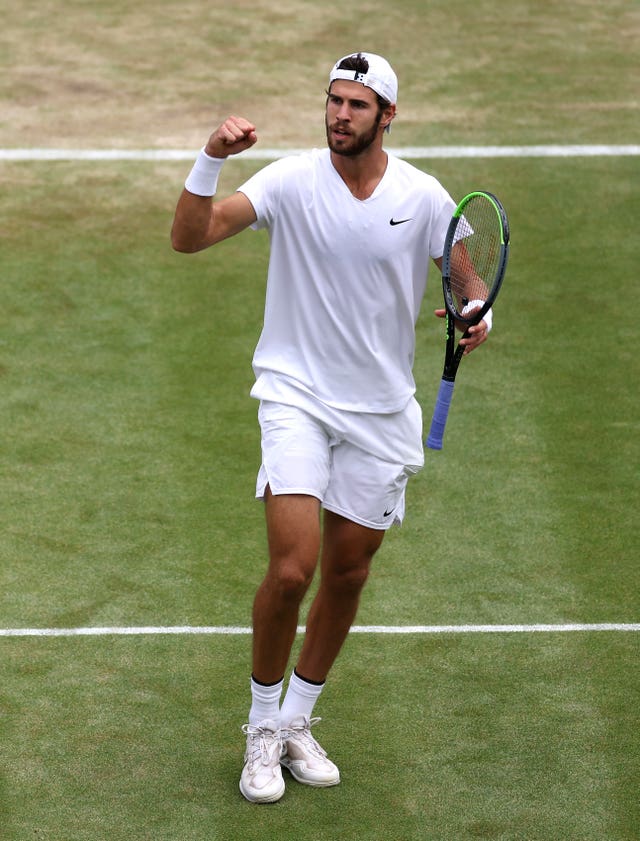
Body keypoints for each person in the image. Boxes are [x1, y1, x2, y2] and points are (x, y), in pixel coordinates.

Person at [171, 51, 492, 804]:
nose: (338, 115)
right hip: (296, 397)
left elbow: (467, 278)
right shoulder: (288, 180)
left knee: (348, 572)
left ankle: (296, 720)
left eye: (355, 104)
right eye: (333, 101)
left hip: (381, 411)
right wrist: (208, 160)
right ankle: (258, 726)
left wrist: (478, 312)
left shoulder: (425, 195)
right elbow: (191, 237)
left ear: (387, 116)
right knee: (293, 568)